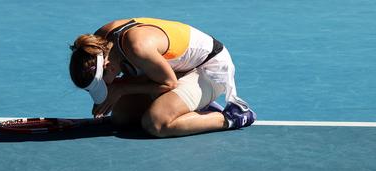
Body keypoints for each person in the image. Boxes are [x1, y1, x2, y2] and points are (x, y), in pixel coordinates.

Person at [69, 17, 256, 138]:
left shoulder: (137, 47)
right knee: (122, 118)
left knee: (156, 123)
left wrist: (121, 88)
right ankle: (191, 103)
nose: (106, 88)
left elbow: (169, 84)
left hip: (209, 69)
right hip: (176, 70)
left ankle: (233, 117)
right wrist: (116, 89)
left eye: (102, 84)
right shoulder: (96, 43)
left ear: (107, 67)